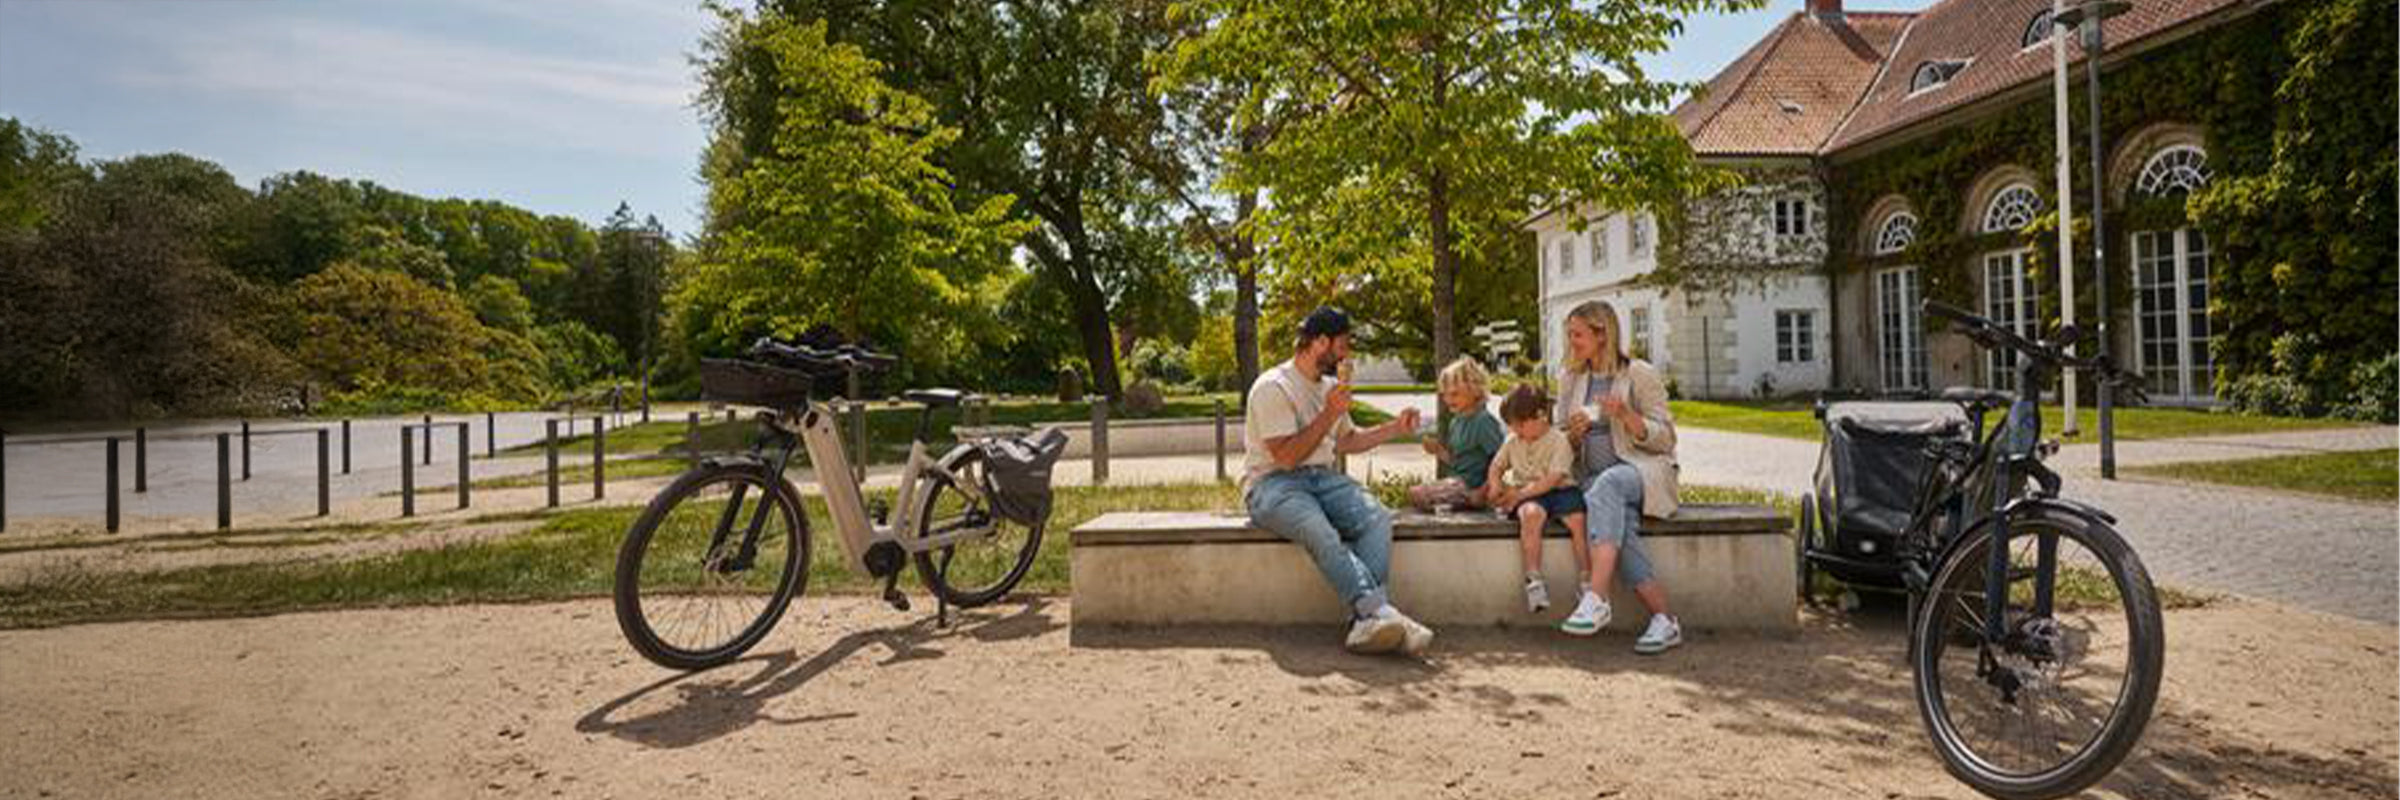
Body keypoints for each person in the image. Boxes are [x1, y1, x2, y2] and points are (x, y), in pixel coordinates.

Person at [1243, 307, 1432, 655]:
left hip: (1323, 479)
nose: (1346, 354)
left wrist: (1394, 428)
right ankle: (1377, 611)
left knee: (1376, 517)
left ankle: (1366, 620)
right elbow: (1285, 457)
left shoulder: (1331, 387)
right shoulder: (1272, 387)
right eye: (1342, 345)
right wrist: (1329, 412)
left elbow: (1346, 441)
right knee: (1320, 530)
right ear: (1320, 342)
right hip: (1273, 484)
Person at [1555, 300, 1684, 654]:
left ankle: (1596, 596)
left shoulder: (1639, 373)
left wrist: (1628, 416)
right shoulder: (1570, 378)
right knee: (1617, 521)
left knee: (1608, 484)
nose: (1572, 342)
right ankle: (1664, 620)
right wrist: (1573, 434)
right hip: (1594, 483)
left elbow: (1666, 438)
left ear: (1601, 334)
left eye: (1578, 334)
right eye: (1570, 335)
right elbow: (1558, 437)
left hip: (1641, 473)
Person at [1482, 385, 1589, 618]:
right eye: (1511, 425)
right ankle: (1534, 579)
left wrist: (1517, 495)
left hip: (1560, 490)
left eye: (1520, 424)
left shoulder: (1559, 440)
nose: (1515, 430)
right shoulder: (1513, 441)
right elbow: (1497, 465)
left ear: (1540, 416)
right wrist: (1495, 483)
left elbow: (1553, 479)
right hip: (1530, 495)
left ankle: (1586, 581)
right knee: (1530, 515)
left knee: (1578, 521)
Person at [1408, 357, 1506, 513]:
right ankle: (1461, 503)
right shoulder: (1456, 421)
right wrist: (1438, 451)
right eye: (1444, 395)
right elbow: (1457, 462)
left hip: (1473, 485)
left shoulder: (1483, 422)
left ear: (1474, 390)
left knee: (1419, 494)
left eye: (1454, 394)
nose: (1448, 400)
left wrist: (1482, 491)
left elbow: (1502, 461)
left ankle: (1471, 501)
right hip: (1457, 483)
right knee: (1415, 494)